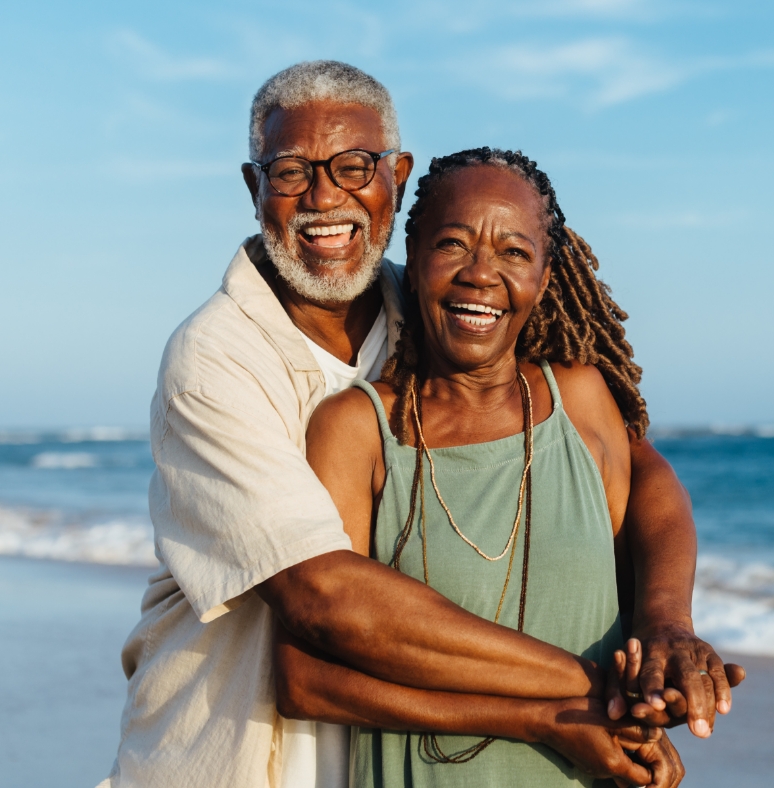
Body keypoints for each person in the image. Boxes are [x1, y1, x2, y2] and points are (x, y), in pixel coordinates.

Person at [100, 61, 738, 788]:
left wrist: (665, 624)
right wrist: (593, 690)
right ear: (254, 188)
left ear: (395, 179)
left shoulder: (436, 306)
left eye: (353, 167)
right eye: (290, 173)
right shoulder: (215, 358)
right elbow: (324, 597)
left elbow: (630, 458)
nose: (324, 198)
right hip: (230, 754)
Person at [278, 148, 715, 787]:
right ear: (413, 253)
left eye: (514, 252)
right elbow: (306, 683)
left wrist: (665, 645)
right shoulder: (358, 430)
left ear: (545, 273)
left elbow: (654, 494)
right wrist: (544, 717)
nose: (480, 276)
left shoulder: (582, 400)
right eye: (453, 245)